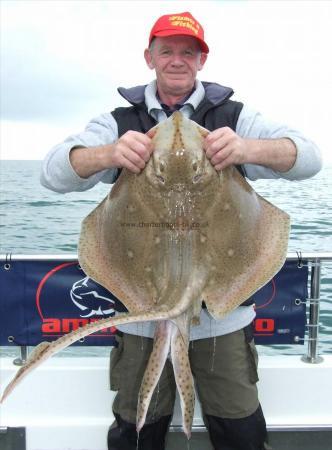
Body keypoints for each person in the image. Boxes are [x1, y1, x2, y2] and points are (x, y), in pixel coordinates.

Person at [41, 11, 322, 450]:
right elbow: (52, 175)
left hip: (223, 318)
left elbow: (309, 158)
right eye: (167, 50)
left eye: (187, 52)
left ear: (201, 60)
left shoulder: (234, 116)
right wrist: (108, 154)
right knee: (138, 429)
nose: (177, 60)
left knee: (239, 429)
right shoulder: (118, 121)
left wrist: (248, 148)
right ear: (149, 57)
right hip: (140, 311)